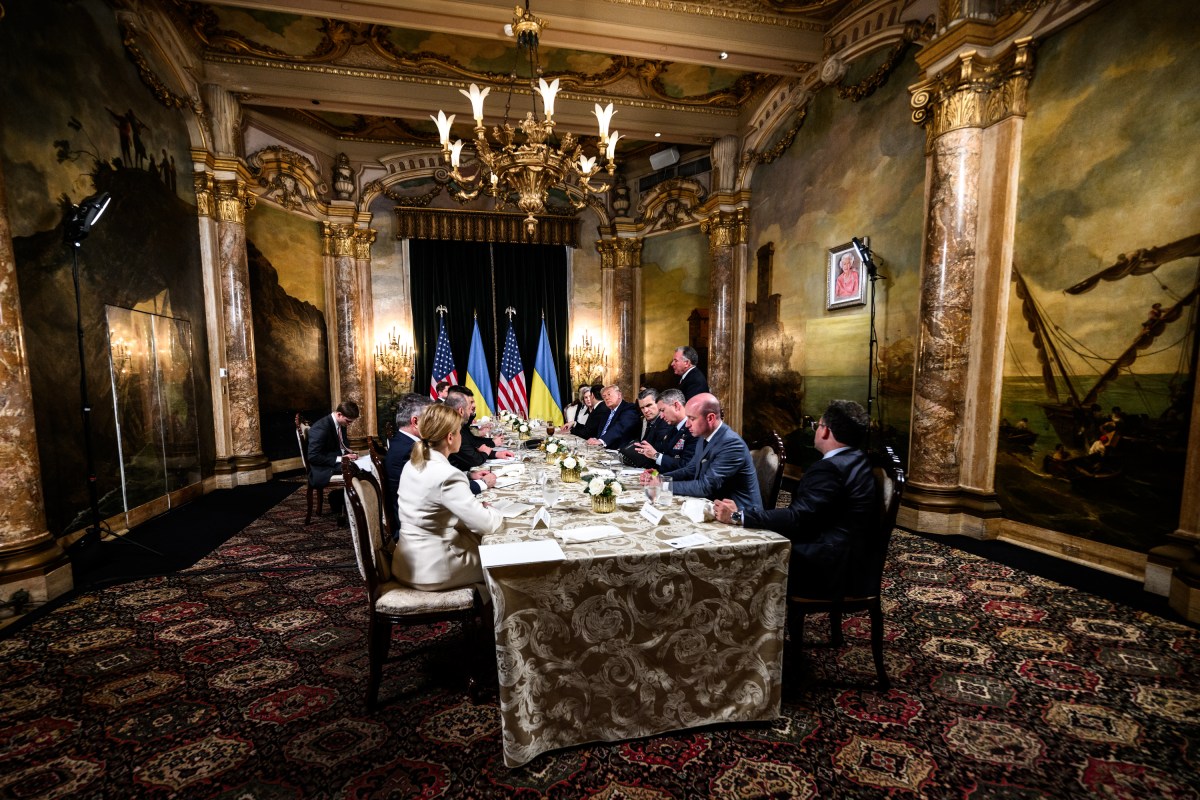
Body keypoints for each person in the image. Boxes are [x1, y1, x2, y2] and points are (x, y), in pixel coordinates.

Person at [713, 400, 876, 598]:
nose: (816, 430)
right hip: (855, 560)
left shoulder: (829, 469)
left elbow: (796, 518)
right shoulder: (858, 458)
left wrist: (738, 517)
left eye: (817, 425)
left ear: (825, 431)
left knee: (740, 560)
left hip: (827, 565)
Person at [392, 403, 505, 595]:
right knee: (505, 562)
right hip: (433, 568)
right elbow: (487, 525)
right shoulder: (447, 474)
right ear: (450, 437)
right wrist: (493, 510)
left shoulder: (414, 463)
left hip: (407, 561)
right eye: (460, 432)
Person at [641, 393, 761, 510]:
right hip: (712, 505)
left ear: (710, 418)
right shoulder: (704, 436)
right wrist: (659, 477)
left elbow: (705, 487)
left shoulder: (731, 444)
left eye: (692, 419)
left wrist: (662, 485)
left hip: (740, 515)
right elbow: (690, 469)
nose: (687, 424)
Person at [384, 393, 433, 527]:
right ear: (415, 422)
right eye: (430, 419)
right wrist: (480, 484)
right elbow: (433, 489)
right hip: (415, 524)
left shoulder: (402, 442)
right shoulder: (408, 451)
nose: (434, 424)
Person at [441, 388, 502, 494]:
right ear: (450, 437)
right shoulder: (433, 462)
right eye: (470, 405)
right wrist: (483, 483)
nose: (462, 437)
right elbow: (449, 492)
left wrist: (469, 475)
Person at [307, 400, 359, 516]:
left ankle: (345, 502)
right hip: (321, 468)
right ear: (339, 414)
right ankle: (343, 502)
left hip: (332, 459)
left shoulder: (339, 423)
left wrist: (349, 452)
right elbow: (313, 456)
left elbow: (340, 444)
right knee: (357, 470)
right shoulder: (321, 428)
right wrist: (342, 458)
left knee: (360, 466)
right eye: (348, 421)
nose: (349, 424)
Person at [631, 388, 695, 471]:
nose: (661, 416)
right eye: (642, 408)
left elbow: (686, 467)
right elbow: (665, 461)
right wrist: (653, 474)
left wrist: (655, 455)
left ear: (676, 406)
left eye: (662, 410)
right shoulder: (673, 427)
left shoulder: (694, 430)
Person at [587, 384, 641, 450]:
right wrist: (596, 439)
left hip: (619, 451)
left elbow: (620, 427)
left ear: (619, 395)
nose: (606, 398)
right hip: (602, 448)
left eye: (609, 394)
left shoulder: (629, 408)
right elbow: (602, 431)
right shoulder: (606, 412)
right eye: (604, 396)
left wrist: (601, 441)